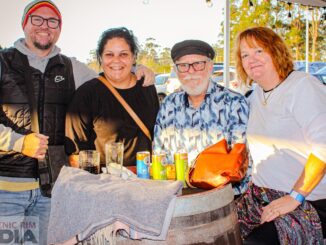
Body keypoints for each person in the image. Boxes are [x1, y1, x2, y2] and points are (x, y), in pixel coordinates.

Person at [0, 1, 154, 244]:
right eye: (37, 19)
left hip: (50, 192)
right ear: (24, 24)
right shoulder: (3, 62)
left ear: (59, 28)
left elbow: (112, 74)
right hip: (6, 188)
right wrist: (18, 143)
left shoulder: (71, 67)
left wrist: (137, 68)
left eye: (52, 21)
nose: (45, 26)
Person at [234, 26, 326, 244]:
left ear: (276, 51)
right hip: (259, 195)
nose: (251, 59)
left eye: (258, 51)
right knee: (218, 232)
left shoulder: (302, 86)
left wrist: (294, 197)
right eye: (245, 55)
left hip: (306, 198)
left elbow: (323, 148)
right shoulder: (253, 96)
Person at [153, 39, 250, 195]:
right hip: (175, 198)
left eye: (198, 64)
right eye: (183, 66)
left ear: (210, 66)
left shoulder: (234, 103)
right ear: (176, 71)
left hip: (221, 199)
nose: (191, 72)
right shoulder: (168, 105)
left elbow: (243, 160)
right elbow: (159, 154)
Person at [65, 27, 160, 168]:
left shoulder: (147, 87)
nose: (116, 61)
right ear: (100, 58)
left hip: (146, 180)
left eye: (123, 54)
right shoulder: (86, 94)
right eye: (109, 55)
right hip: (105, 184)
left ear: (133, 58)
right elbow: (75, 155)